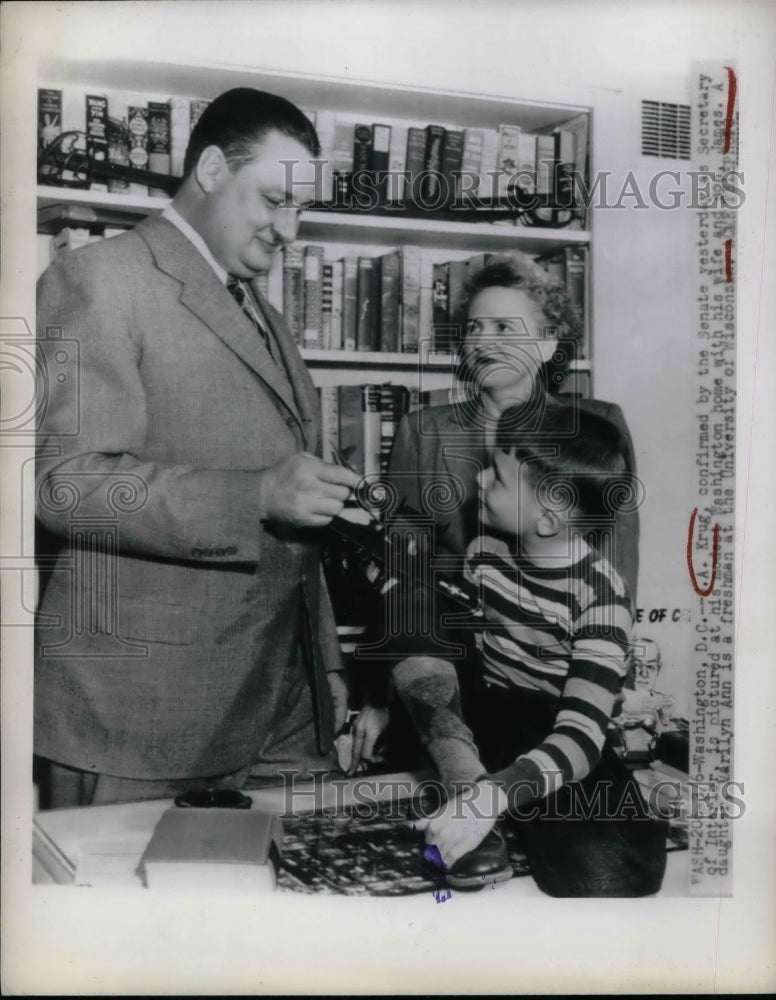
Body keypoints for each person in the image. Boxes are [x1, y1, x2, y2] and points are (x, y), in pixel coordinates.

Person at [34, 88, 360, 808]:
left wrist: (325, 662)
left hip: (281, 703)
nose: (290, 229)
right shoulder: (96, 280)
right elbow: (65, 484)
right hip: (139, 717)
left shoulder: (261, 310)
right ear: (212, 169)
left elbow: (301, 517)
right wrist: (255, 496)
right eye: (275, 200)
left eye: (302, 209)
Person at [349, 251, 642, 770]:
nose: (482, 342)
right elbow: (400, 574)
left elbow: (617, 566)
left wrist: (606, 687)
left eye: (504, 327)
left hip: (557, 683)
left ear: (547, 342)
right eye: (474, 327)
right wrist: (380, 697)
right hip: (447, 681)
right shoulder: (423, 431)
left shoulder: (596, 428)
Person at [392, 406, 667, 896]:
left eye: (498, 477)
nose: (480, 479)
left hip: (557, 729)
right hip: (483, 713)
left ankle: (485, 802)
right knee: (411, 599)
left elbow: (581, 737)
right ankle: (467, 782)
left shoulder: (602, 598)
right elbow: (446, 644)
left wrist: (497, 795)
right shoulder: (484, 553)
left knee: (611, 870)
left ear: (547, 517)